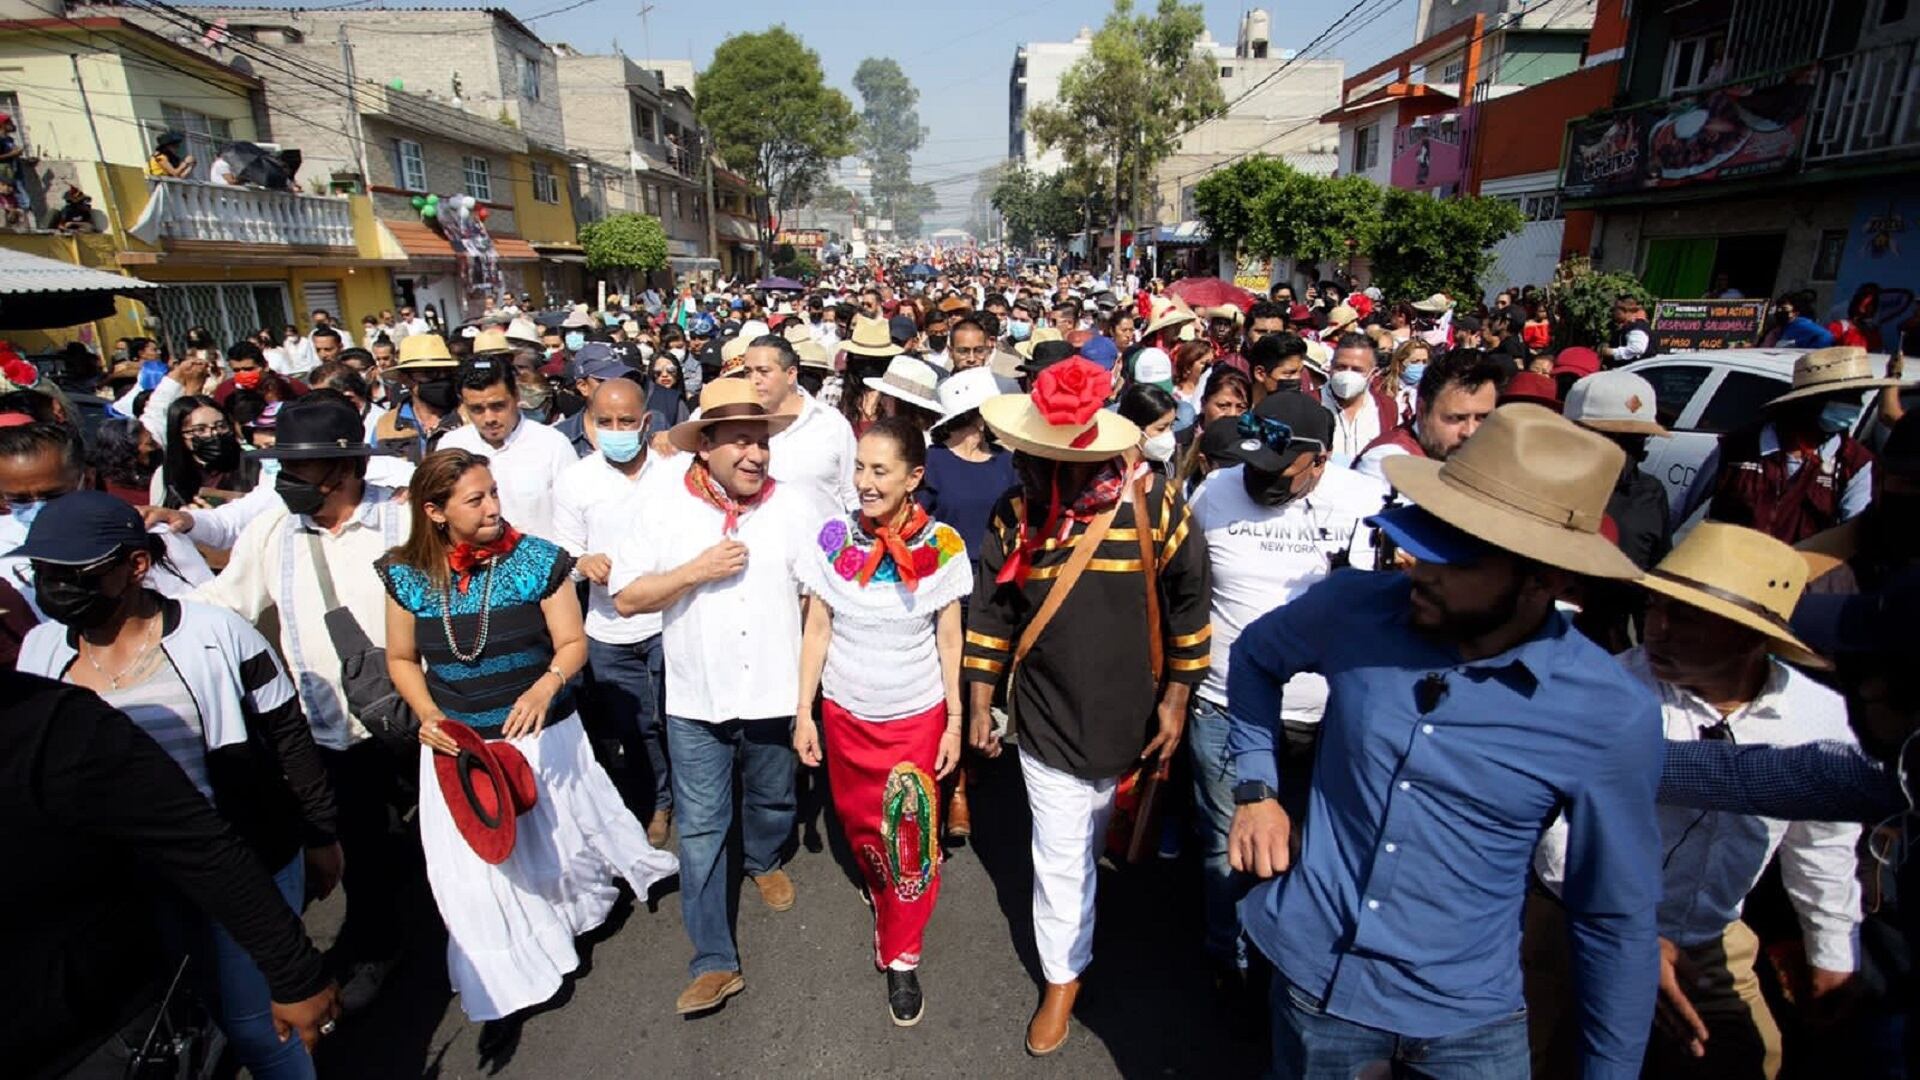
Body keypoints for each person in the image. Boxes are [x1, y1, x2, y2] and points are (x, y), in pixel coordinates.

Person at [1227, 404, 1662, 1079]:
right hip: (1319, 993)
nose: (1415, 562)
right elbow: (1254, 658)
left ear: (1545, 580)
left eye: (1452, 553)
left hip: (1471, 1025)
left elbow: (1614, 919)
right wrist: (1256, 788)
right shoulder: (1353, 608)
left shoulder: (1609, 713)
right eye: (1420, 531)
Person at [13, 493, 342, 1080]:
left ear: (136, 566)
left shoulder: (218, 633)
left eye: (73, 575)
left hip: (237, 862)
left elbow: (288, 735)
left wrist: (319, 834)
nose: (54, 588)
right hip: (123, 892)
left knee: (259, 1027)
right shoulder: (38, 652)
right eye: (43, 575)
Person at [1525, 523, 1859, 1080]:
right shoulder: (1604, 690)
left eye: (1686, 618)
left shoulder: (1817, 718)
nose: (1658, 629)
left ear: (1751, 637)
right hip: (1574, 925)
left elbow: (1823, 843)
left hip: (1711, 938)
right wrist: (1624, 931)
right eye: (1656, 607)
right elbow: (1557, 831)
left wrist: (1830, 953)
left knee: (1748, 1061)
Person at [961, 358, 1212, 1056]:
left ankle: (1088, 922)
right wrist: (980, 700)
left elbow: (1190, 605)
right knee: (1062, 855)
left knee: (1104, 834)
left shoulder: (1155, 506)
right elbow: (993, 610)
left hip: (1130, 712)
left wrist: (1176, 700)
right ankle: (1063, 977)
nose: (1036, 466)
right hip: (1045, 715)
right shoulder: (1014, 512)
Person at [379, 449, 677, 1027]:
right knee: (479, 870)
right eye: (477, 499)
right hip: (460, 746)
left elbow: (572, 644)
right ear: (435, 512)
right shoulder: (404, 574)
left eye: (493, 493)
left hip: (542, 739)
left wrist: (546, 687)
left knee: (556, 849)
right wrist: (428, 716)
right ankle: (516, 968)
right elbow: (400, 657)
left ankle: (565, 932)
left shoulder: (537, 560)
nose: (494, 507)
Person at [609, 378, 829, 1017]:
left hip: (773, 692)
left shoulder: (799, 507)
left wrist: (809, 699)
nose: (756, 455)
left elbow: (823, 597)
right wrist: (692, 573)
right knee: (702, 831)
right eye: (739, 441)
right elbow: (625, 597)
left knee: (771, 798)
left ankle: (763, 857)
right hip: (695, 701)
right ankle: (713, 962)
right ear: (704, 446)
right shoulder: (661, 507)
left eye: (761, 441)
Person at [191, 397, 417, 1014]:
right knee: (367, 849)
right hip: (333, 728)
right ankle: (377, 946)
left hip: (420, 714)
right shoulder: (273, 531)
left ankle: (456, 940)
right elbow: (224, 603)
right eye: (282, 465)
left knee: (442, 844)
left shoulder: (404, 522)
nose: (284, 481)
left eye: (298, 468)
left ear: (342, 469)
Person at [0, 670, 342, 1076]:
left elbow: (202, 842)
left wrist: (294, 971)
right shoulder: (46, 651)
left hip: (91, 1037)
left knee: (255, 1031)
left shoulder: (53, 722)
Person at [1184, 392, 1385, 995]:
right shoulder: (1213, 494)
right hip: (1225, 703)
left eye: (1278, 471)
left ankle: (1296, 968)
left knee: (1314, 847)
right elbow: (1187, 592)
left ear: (1319, 461)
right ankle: (1234, 962)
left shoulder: (1365, 505)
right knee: (1228, 848)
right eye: (1252, 466)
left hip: (1329, 717)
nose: (1259, 480)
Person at [792, 418, 973, 1026]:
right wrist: (805, 713)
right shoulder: (832, 538)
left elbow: (951, 640)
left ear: (914, 477)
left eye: (880, 470)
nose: (865, 482)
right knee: (863, 829)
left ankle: (902, 952)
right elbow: (817, 630)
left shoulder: (944, 547)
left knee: (911, 841)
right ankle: (884, 892)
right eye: (860, 468)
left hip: (916, 719)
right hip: (846, 718)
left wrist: (952, 721)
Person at [552, 378, 674, 845]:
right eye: (606, 422)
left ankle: (691, 796)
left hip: (669, 621)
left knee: (675, 720)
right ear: (592, 423)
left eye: (627, 421)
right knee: (636, 727)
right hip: (608, 631)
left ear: (646, 423)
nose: (617, 430)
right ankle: (657, 803)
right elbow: (565, 553)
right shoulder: (576, 480)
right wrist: (582, 563)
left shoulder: (673, 467)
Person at [0, 420, 210, 615]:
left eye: (53, 495)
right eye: (19, 499)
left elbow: (201, 615)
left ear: (88, 481)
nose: (38, 508)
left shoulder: (152, 536)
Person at [1688, 346, 1889, 543]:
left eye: (1857, 398)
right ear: (1810, 401)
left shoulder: (1854, 463)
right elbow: (1684, 505)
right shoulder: (1740, 446)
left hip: (1803, 572)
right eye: (1844, 398)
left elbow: (1852, 532)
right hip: (1731, 568)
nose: (1854, 407)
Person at [436, 350, 577, 541]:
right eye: (477, 409)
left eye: (498, 406)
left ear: (516, 396)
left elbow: (574, 518)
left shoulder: (552, 444)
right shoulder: (451, 445)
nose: (489, 418)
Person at [1354, 347, 1506, 482]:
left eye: (1483, 418)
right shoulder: (1386, 466)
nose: (1470, 432)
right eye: (1456, 418)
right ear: (1421, 410)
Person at [373, 334, 465, 463]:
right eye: (430, 373)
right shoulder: (386, 426)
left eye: (448, 372)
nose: (441, 379)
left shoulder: (470, 417)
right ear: (404, 378)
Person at [1320, 333, 1397, 467]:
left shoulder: (1387, 408)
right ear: (1330, 367)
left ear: (1373, 374)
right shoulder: (1310, 403)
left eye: (1357, 370)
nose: (1347, 375)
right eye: (1341, 367)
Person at [1117, 383, 1179, 472]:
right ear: (1134, 428)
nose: (1169, 434)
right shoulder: (1106, 471)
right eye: (1161, 429)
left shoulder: (1166, 471)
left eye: (1171, 426)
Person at [1598, 296, 1658, 366]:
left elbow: (1636, 349)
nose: (1613, 313)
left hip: (1634, 371)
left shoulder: (1636, 327)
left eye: (1615, 310)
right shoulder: (1629, 326)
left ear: (1625, 310)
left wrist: (1611, 352)